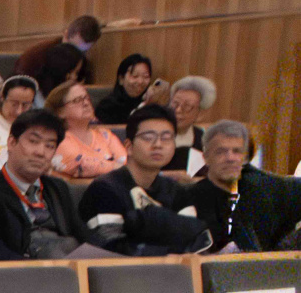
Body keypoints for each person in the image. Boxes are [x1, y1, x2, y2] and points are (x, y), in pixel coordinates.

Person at [79, 105, 210, 256]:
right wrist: (169, 249)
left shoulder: (177, 191)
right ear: (128, 146)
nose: (158, 145)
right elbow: (110, 247)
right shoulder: (105, 189)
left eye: (166, 138)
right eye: (148, 138)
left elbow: (194, 240)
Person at [0, 109, 91, 259]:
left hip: (68, 263)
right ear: (11, 142)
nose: (41, 152)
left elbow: (83, 235)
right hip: (25, 274)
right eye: (33, 141)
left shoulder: (57, 187)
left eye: (49, 146)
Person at [181, 121, 301, 253]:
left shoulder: (267, 187)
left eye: (236, 151)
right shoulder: (188, 197)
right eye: (221, 151)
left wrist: (285, 251)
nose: (229, 158)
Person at [48, 79, 126, 179]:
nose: (86, 103)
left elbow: (127, 165)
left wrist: (106, 167)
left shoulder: (104, 134)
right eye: (77, 100)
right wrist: (115, 166)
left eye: (86, 98)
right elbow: (83, 166)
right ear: (60, 112)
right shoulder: (58, 140)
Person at [16, 13, 99, 85]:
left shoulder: (83, 64)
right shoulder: (36, 56)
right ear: (66, 35)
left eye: (82, 51)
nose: (75, 55)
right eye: (72, 47)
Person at [95, 53, 167, 126]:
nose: (140, 81)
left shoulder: (150, 103)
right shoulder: (106, 107)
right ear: (121, 79)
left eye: (146, 76)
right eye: (135, 76)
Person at [164, 75, 214, 174]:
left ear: (200, 114)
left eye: (187, 106)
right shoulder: (154, 135)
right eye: (175, 103)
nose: (178, 110)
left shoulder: (204, 140)